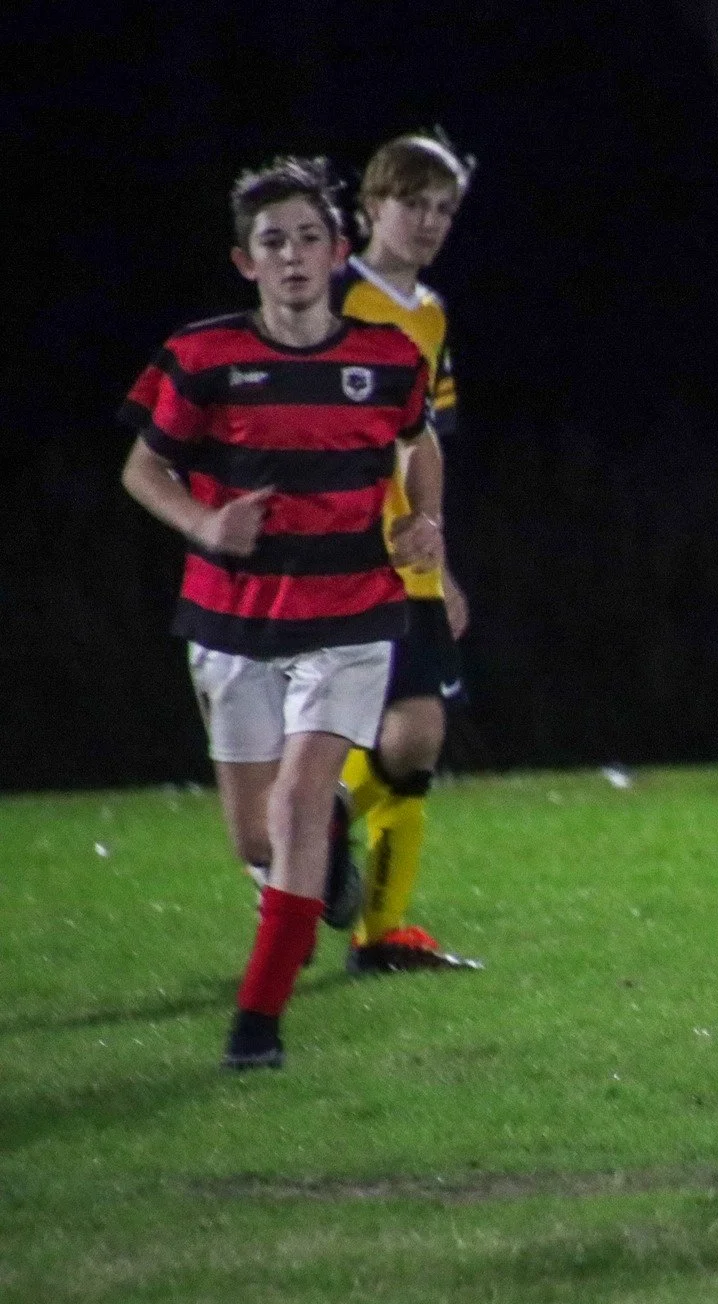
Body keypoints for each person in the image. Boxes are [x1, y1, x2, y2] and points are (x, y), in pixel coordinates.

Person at [120, 156, 440, 1069]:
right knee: (256, 837)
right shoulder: (204, 357)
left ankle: (256, 1026)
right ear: (243, 260)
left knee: (299, 802)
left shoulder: (386, 359)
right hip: (231, 622)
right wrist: (204, 522)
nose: (293, 256)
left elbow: (419, 447)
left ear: (339, 252)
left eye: (308, 239)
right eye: (273, 243)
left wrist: (427, 520)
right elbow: (143, 470)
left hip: (350, 613)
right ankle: (323, 844)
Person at [332, 130, 481, 975]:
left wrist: (439, 551)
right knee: (406, 732)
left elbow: (428, 439)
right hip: (346, 557)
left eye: (442, 209)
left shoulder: (428, 312)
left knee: (417, 736)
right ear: (371, 204)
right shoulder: (334, 298)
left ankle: (379, 930)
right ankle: (310, 840)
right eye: (411, 202)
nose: (427, 221)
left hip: (408, 554)